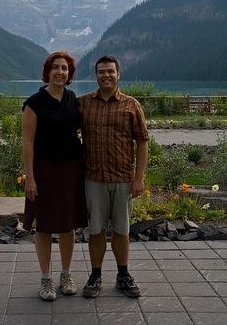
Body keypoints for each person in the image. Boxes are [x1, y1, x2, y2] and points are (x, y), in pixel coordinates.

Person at [78, 55, 149, 298]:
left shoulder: (131, 105)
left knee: (121, 230)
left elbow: (142, 141)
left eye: (110, 71)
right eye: (101, 72)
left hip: (123, 179)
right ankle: (95, 275)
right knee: (95, 229)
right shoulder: (83, 104)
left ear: (118, 74)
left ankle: (123, 275)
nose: (106, 75)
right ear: (95, 75)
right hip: (93, 179)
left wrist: (139, 178)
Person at [22, 51, 87, 302]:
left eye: (65, 69)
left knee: (69, 224)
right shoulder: (34, 103)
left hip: (71, 168)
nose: (60, 72)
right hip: (44, 169)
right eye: (55, 68)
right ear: (47, 72)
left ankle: (66, 274)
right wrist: (30, 176)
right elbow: (28, 142)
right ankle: (46, 279)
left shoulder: (73, 100)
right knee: (45, 225)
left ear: (69, 75)